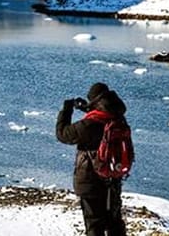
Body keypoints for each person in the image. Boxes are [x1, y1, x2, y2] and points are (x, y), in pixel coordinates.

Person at [56, 82, 130, 236]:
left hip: (90, 180)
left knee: (94, 224)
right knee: (114, 221)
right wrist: (87, 108)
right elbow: (102, 115)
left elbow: (63, 134)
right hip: (113, 177)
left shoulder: (89, 124)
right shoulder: (118, 118)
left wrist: (66, 110)